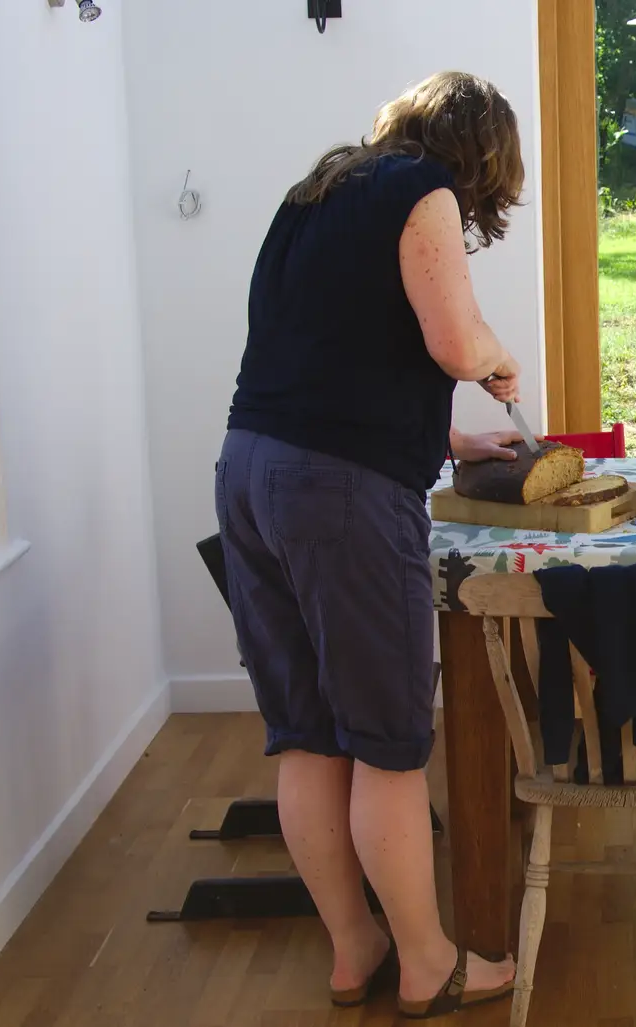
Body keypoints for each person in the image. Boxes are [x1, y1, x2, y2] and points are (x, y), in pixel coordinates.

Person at [214, 71, 532, 1017]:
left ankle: (355, 950)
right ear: (478, 155)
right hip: (340, 499)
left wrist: (450, 439)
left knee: (308, 734)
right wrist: (496, 357)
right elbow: (449, 342)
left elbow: (329, 352)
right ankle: (430, 964)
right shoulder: (420, 192)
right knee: (390, 745)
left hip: (248, 471)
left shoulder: (314, 195)